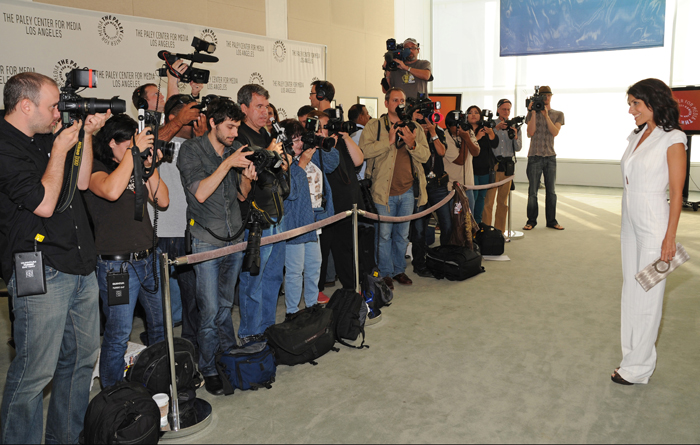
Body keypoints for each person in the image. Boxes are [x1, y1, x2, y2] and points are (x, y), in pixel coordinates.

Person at [0, 72, 108, 444]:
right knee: (34, 373)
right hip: (40, 268)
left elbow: (78, 183)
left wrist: (86, 136)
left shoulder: (47, 137)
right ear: (25, 105)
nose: (57, 113)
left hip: (79, 263)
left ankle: (65, 438)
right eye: (51, 107)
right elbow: (45, 203)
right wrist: (61, 148)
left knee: (80, 362)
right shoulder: (4, 146)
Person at [178, 99, 256, 395]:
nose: (235, 133)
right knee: (209, 310)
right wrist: (228, 163)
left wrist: (247, 179)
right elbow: (199, 193)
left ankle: (228, 354)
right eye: (230, 127)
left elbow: (240, 196)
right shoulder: (191, 150)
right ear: (212, 123)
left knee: (225, 306)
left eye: (237, 127)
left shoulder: (234, 153)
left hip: (234, 238)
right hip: (206, 242)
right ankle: (207, 367)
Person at [85, 114, 169, 388]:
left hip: (149, 258)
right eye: (129, 142)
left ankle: (160, 379)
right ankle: (113, 394)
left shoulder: (135, 164)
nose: (136, 147)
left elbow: (163, 201)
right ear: (112, 142)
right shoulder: (96, 168)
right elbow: (110, 191)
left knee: (160, 325)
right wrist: (133, 156)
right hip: (116, 266)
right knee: (119, 333)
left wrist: (149, 165)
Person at [612, 78, 687, 386]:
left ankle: (639, 367)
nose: (631, 110)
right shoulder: (637, 135)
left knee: (648, 295)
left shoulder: (674, 138)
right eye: (630, 104)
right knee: (630, 291)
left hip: (655, 222)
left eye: (635, 104)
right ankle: (630, 357)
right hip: (629, 220)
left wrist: (669, 237)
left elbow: (677, 193)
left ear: (653, 103)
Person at [149, 93, 208, 354]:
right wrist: (175, 122)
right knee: (157, 302)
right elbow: (147, 148)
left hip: (190, 231)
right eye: (188, 115)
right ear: (172, 116)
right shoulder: (157, 137)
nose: (194, 119)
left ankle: (190, 348)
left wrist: (203, 136)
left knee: (193, 298)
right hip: (159, 232)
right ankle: (159, 354)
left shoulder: (198, 146)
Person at [360, 87, 430, 290]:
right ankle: (384, 273)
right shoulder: (375, 125)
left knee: (402, 235)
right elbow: (363, 152)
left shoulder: (414, 127)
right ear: (386, 103)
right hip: (383, 192)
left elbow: (425, 156)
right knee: (383, 236)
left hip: (408, 191)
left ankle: (399, 270)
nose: (399, 103)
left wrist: (412, 143)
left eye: (402, 100)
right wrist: (388, 142)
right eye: (395, 100)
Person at [235, 84, 288, 344]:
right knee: (253, 280)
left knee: (274, 277)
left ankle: (268, 327)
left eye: (266, 106)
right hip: (255, 220)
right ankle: (250, 333)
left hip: (276, 213)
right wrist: (271, 152)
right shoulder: (239, 135)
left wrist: (282, 159)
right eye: (259, 106)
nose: (265, 112)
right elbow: (251, 163)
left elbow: (275, 169)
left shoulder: (267, 133)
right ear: (243, 108)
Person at [308, 81, 365, 298]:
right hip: (323, 205)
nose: (325, 130)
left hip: (344, 201)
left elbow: (358, 160)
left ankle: (351, 287)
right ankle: (318, 290)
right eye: (321, 126)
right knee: (321, 250)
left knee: (346, 248)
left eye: (327, 125)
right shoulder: (313, 145)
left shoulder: (340, 139)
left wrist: (344, 135)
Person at [280, 118, 338, 315]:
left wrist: (321, 141)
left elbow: (332, 164)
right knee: (295, 272)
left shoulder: (309, 156)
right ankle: (292, 312)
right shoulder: (283, 163)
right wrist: (302, 163)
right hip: (294, 224)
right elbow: (291, 192)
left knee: (314, 266)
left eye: (300, 139)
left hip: (313, 223)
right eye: (294, 139)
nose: (299, 144)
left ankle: (312, 305)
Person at [410, 108, 451, 278]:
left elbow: (441, 152)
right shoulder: (410, 131)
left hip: (438, 185)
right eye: (419, 115)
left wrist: (433, 133)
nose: (423, 119)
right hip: (420, 186)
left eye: (425, 115)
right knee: (419, 229)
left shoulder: (439, 132)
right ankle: (419, 264)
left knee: (447, 224)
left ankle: (445, 259)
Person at [523, 85, 565, 231]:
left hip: (550, 157)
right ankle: (531, 221)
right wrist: (533, 112)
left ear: (551, 96)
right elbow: (530, 132)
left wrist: (546, 115)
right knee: (532, 191)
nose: (545, 98)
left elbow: (555, 132)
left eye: (548, 95)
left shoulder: (558, 114)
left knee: (551, 191)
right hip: (534, 155)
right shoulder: (530, 113)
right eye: (542, 96)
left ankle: (552, 221)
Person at [483, 99, 522, 233]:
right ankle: (486, 231)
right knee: (488, 202)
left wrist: (515, 136)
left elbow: (518, 148)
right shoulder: (491, 124)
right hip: (493, 165)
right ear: (498, 109)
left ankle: (500, 232)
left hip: (507, 166)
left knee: (503, 202)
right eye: (504, 109)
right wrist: (497, 129)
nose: (506, 112)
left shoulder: (515, 125)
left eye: (508, 109)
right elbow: (487, 141)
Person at [466, 105, 499, 224]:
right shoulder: (464, 130)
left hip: (485, 169)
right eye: (470, 112)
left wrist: (490, 133)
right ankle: (471, 223)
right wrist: (477, 137)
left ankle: (478, 223)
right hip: (471, 170)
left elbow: (494, 143)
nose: (473, 115)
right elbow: (465, 147)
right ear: (466, 116)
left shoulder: (485, 128)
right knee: (472, 198)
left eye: (476, 112)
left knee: (481, 198)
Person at [444, 110, 479, 215]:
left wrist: (467, 137)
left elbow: (476, 152)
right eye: (456, 125)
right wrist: (465, 139)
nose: (459, 128)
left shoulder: (468, 132)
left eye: (461, 124)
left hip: (468, 186)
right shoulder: (445, 137)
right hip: (452, 188)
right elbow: (460, 160)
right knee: (455, 223)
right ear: (448, 126)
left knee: (469, 220)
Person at [349, 103, 371, 179]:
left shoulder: (346, 134)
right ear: (361, 117)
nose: (369, 116)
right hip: (362, 177)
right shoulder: (364, 134)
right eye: (367, 114)